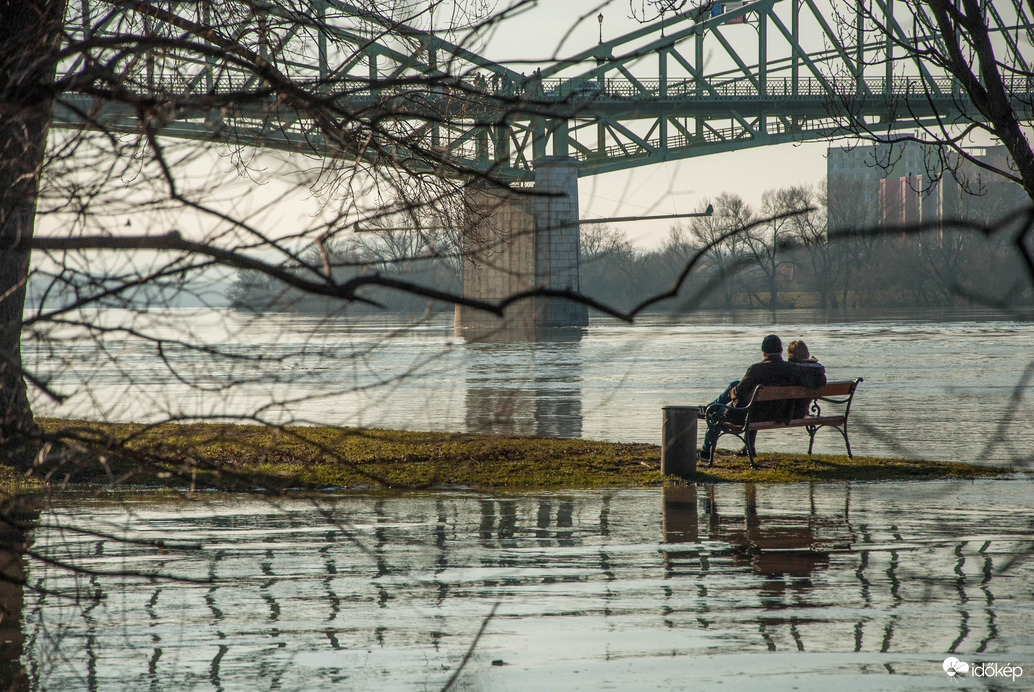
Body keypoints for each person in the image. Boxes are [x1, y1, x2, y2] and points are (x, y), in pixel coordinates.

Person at [699, 334, 803, 464]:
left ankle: (705, 452)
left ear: (764, 352)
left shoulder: (756, 369)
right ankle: (748, 446)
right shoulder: (793, 369)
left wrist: (733, 393)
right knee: (741, 390)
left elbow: (738, 392)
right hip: (780, 414)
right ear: (781, 351)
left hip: (751, 415)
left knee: (714, 414)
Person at [787, 339, 826, 419]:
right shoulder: (817, 371)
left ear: (791, 355)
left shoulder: (790, 371)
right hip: (803, 412)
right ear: (807, 353)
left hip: (788, 414)